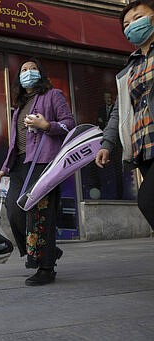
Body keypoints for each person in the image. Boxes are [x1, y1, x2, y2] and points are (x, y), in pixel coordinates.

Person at [0, 57, 75, 286]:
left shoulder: (53, 95)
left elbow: (69, 124)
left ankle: (46, 268)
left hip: (44, 163)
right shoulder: (18, 107)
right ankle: (50, 249)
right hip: (20, 165)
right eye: (24, 70)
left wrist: (47, 126)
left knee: (40, 214)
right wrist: (5, 168)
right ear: (18, 78)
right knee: (14, 210)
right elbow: (15, 143)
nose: (28, 72)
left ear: (41, 73)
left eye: (32, 69)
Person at [95, 0, 154, 232]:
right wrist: (107, 144)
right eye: (127, 24)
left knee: (147, 200)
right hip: (143, 147)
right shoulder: (129, 69)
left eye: (139, 18)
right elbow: (119, 112)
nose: (132, 26)